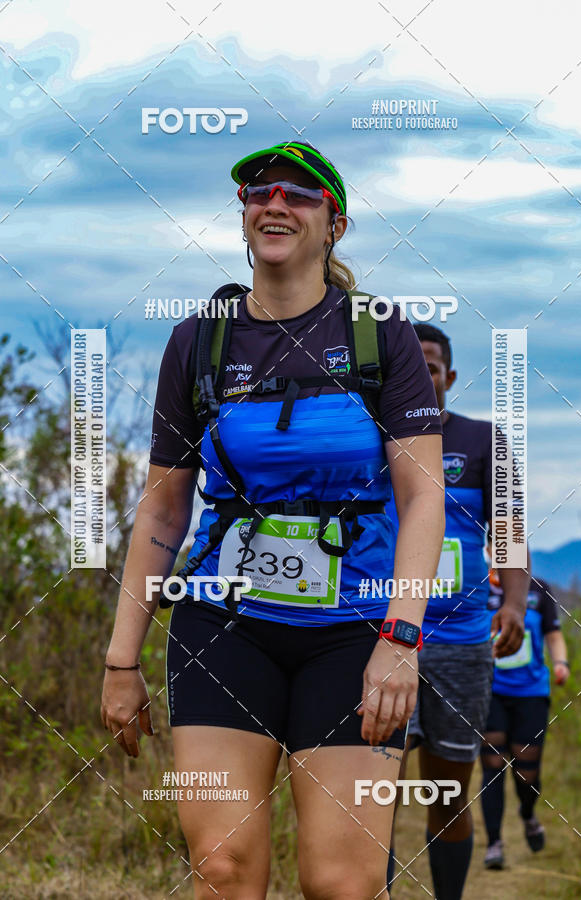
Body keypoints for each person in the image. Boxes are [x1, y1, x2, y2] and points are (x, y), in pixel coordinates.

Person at [101, 141, 445, 899]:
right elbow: (163, 505)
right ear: (244, 217)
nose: (276, 205)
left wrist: (402, 636)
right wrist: (122, 659)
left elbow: (423, 496)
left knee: (343, 884)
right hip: (222, 628)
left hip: (354, 633)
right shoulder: (200, 340)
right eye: (259, 195)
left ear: (335, 225)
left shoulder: (380, 334)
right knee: (222, 869)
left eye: (299, 195)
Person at [385, 323, 530, 900]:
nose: (424, 374)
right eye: (412, 365)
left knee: (446, 798)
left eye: (433, 365)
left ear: (448, 375)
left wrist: (515, 603)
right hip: (384, 641)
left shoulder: (485, 441)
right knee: (375, 795)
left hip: (462, 647)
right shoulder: (371, 438)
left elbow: (512, 533)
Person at [480, 553, 569, 869]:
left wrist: (560, 662)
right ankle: (494, 844)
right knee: (492, 767)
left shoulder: (539, 590)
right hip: (489, 691)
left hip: (531, 692)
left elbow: (553, 634)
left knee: (526, 771)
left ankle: (528, 814)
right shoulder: (479, 589)